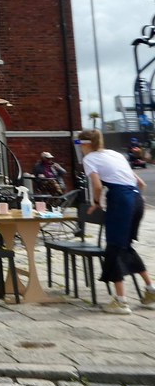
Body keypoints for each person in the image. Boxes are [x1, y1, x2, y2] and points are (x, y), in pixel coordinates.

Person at [78, 129, 155, 314]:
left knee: (113, 247)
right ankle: (151, 291)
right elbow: (141, 184)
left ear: (85, 144)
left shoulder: (90, 159)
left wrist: (97, 202)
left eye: (78, 144)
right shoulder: (115, 154)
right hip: (136, 200)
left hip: (120, 199)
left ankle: (121, 301)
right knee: (125, 246)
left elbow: (97, 186)